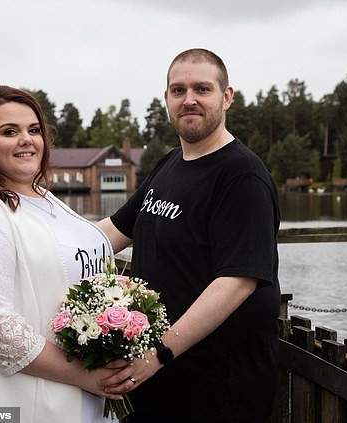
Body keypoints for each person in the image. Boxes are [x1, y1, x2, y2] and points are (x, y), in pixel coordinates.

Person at [98, 49, 281, 422]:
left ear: (227, 97)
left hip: (218, 391)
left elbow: (236, 281)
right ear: (166, 99)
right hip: (158, 386)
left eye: (202, 89)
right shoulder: (169, 165)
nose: (189, 99)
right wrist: (34, 238)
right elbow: (109, 234)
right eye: (178, 90)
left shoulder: (241, 175)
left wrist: (159, 354)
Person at [0, 86, 124, 423]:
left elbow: (75, 256)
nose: (26, 139)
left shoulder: (45, 200)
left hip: (80, 403)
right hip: (16, 405)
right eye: (10, 132)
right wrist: (87, 376)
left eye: (33, 130)